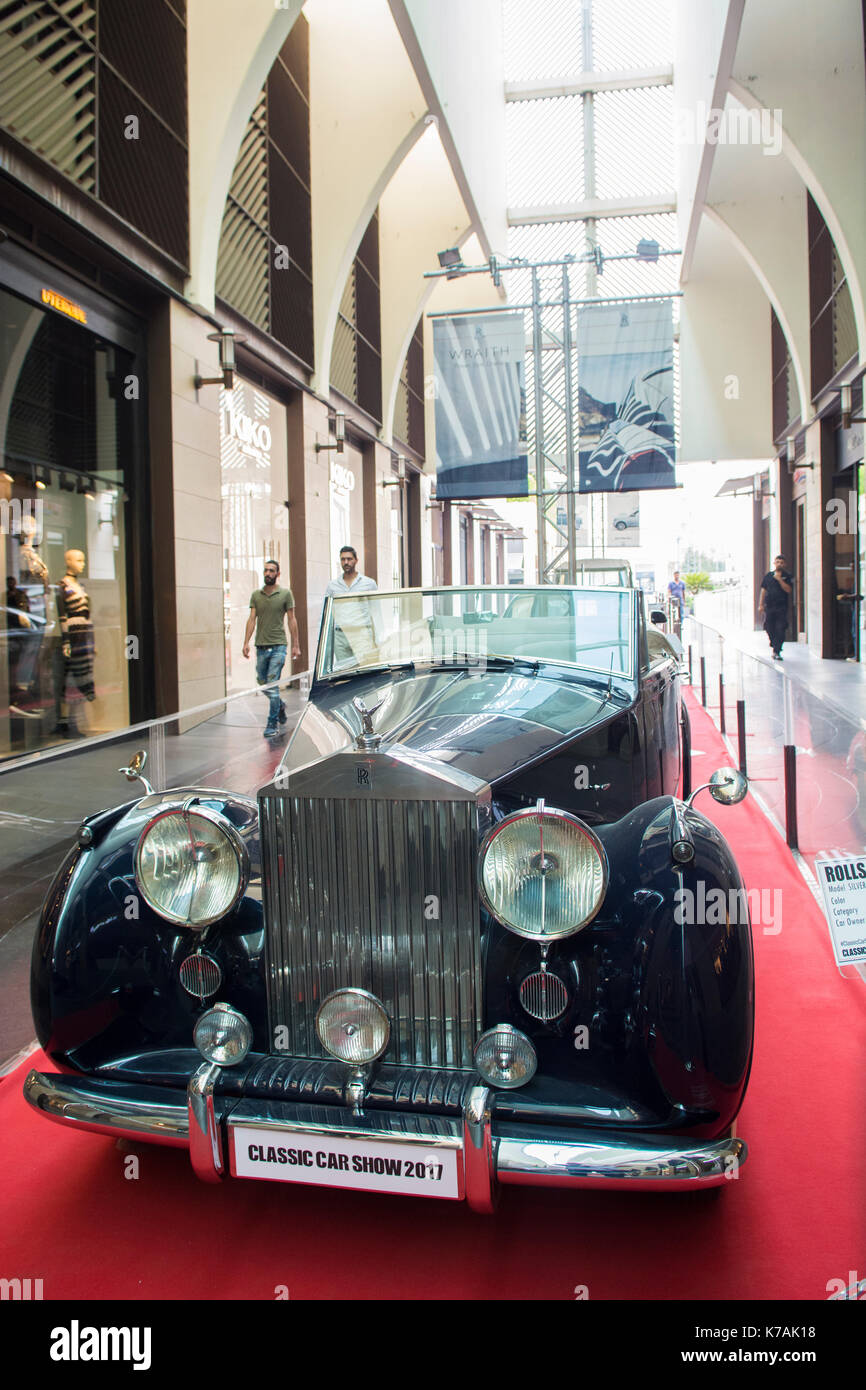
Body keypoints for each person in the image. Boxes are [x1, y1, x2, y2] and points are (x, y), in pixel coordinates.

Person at [242, 559, 300, 739]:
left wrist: (296, 644)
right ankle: (280, 705)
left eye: (272, 571)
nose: (268, 573)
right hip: (261, 646)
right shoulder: (256, 595)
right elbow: (252, 619)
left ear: (278, 574)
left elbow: (292, 619)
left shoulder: (285, 594)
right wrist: (246, 642)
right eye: (266, 570)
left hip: (279, 646)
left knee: (272, 684)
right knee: (262, 682)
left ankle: (272, 723)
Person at [323, 546, 378, 665]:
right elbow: (327, 613)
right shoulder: (333, 586)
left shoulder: (368, 583)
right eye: (343, 559)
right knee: (344, 673)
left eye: (349, 559)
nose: (346, 562)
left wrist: (378, 639)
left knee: (365, 670)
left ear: (356, 560)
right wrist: (323, 640)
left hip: (361, 634)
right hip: (340, 636)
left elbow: (376, 612)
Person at [758, 554, 794, 660]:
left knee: (780, 628)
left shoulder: (787, 576)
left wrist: (779, 579)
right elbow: (763, 590)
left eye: (782, 562)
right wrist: (760, 605)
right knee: (769, 627)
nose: (779, 564)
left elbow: (788, 590)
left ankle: (777, 651)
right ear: (774, 563)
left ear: (785, 564)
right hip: (769, 607)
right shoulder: (768, 576)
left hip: (781, 607)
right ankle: (774, 644)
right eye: (777, 562)